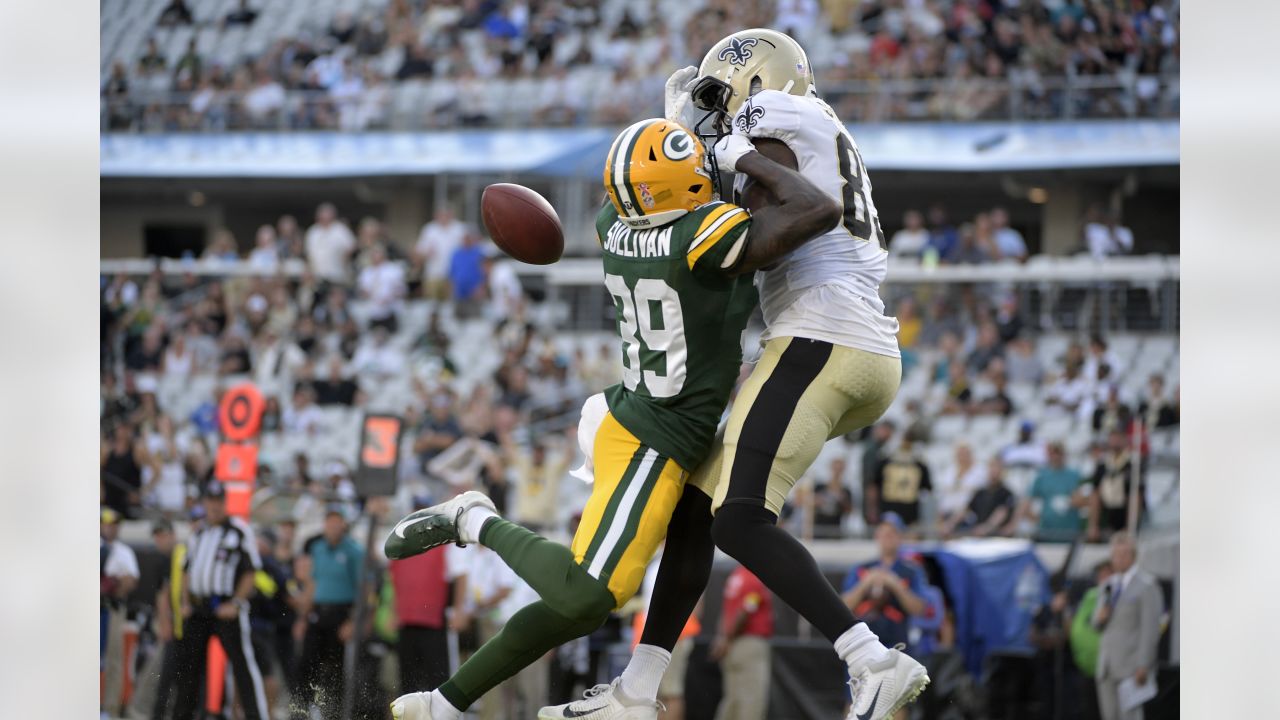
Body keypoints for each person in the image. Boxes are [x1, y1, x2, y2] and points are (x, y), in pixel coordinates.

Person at [385, 113, 843, 720]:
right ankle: (474, 518)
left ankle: (446, 702)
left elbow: (662, 190)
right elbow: (813, 210)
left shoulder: (613, 223)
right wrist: (738, 153)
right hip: (653, 436)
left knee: (581, 604)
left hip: (646, 419)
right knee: (588, 596)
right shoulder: (699, 235)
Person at [550, 29, 928, 720]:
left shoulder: (771, 117)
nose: (718, 114)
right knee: (696, 510)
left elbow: (786, 215)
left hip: (824, 337)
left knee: (740, 519)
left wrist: (721, 146)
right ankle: (637, 690)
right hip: (841, 341)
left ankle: (872, 659)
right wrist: (693, 144)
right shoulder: (814, 125)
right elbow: (741, 202)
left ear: (753, 85)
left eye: (723, 99)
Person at [170, 482, 269, 720]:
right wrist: (185, 602)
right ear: (204, 503)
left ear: (225, 503)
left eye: (218, 500)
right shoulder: (199, 532)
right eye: (210, 500)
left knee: (242, 665)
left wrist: (235, 603)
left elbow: (251, 571)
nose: (214, 505)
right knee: (189, 668)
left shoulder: (238, 530)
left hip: (225, 608)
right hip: (197, 608)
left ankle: (257, 716)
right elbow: (186, 570)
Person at [293, 506, 364, 720]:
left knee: (336, 668)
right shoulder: (317, 548)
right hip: (318, 612)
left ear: (343, 524)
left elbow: (363, 588)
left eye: (337, 522)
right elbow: (311, 584)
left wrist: (353, 621)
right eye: (329, 522)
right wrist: (303, 618)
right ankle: (304, 710)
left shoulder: (353, 551)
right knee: (306, 663)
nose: (333, 527)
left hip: (341, 613)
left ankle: (335, 712)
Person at [1093, 534, 1163, 720]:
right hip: (1106, 665)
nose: (1119, 559)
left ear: (1133, 556)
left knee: (1130, 716)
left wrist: (1144, 664)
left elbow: (1150, 629)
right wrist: (1100, 617)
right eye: (1115, 554)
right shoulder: (1107, 585)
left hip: (1131, 665)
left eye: (1124, 554)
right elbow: (1096, 625)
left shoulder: (1147, 585)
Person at [841, 513, 928, 659]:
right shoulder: (862, 569)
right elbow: (843, 606)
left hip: (899, 645)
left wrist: (895, 585)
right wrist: (865, 584)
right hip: (864, 644)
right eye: (884, 533)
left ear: (900, 538)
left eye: (893, 533)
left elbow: (920, 609)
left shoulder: (911, 571)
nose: (888, 537)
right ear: (877, 536)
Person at [389, 543, 462, 698]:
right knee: (407, 682)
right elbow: (394, 579)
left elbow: (460, 575)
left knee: (436, 682)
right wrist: (393, 611)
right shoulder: (402, 546)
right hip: (406, 622)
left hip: (434, 623)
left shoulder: (443, 545)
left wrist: (458, 610)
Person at [709, 565, 774, 720]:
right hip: (748, 643)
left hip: (732, 645)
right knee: (752, 700)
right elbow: (746, 610)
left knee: (732, 699)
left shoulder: (736, 575)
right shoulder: (754, 578)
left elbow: (726, 611)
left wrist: (723, 637)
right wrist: (727, 637)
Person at [101, 508, 140, 719]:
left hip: (112, 607)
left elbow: (130, 581)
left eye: (114, 524)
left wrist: (110, 585)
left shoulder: (123, 551)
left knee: (113, 658)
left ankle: (110, 708)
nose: (110, 528)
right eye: (106, 523)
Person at [1014, 442, 1086, 542]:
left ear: (1064, 454)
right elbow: (1026, 501)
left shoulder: (1074, 475)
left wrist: (1069, 502)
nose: (1055, 456)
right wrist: (1037, 520)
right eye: (1052, 453)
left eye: (1058, 453)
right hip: (1047, 532)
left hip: (1070, 532)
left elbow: (1084, 501)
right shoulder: (1042, 476)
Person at [942, 457, 1017, 538]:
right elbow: (966, 510)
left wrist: (986, 527)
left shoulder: (1007, 493)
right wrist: (950, 524)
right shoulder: (980, 492)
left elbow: (1001, 513)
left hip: (997, 536)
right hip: (978, 535)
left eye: (997, 467)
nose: (994, 471)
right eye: (992, 467)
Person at [869, 434, 932, 529]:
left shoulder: (920, 465)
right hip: (888, 508)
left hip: (910, 511)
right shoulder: (884, 462)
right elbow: (874, 485)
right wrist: (872, 508)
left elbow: (927, 489)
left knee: (910, 537)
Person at [415, 206, 467, 301]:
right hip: (433, 273)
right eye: (441, 215)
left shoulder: (460, 229)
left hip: (454, 274)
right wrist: (427, 253)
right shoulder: (429, 230)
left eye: (446, 215)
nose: (444, 217)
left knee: (451, 301)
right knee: (432, 301)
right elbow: (420, 251)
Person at [305, 202, 357, 283]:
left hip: (337, 274)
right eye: (323, 215)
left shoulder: (341, 229)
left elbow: (352, 246)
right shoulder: (313, 231)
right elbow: (308, 253)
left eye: (327, 215)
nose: (325, 218)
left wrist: (345, 260)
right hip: (317, 275)